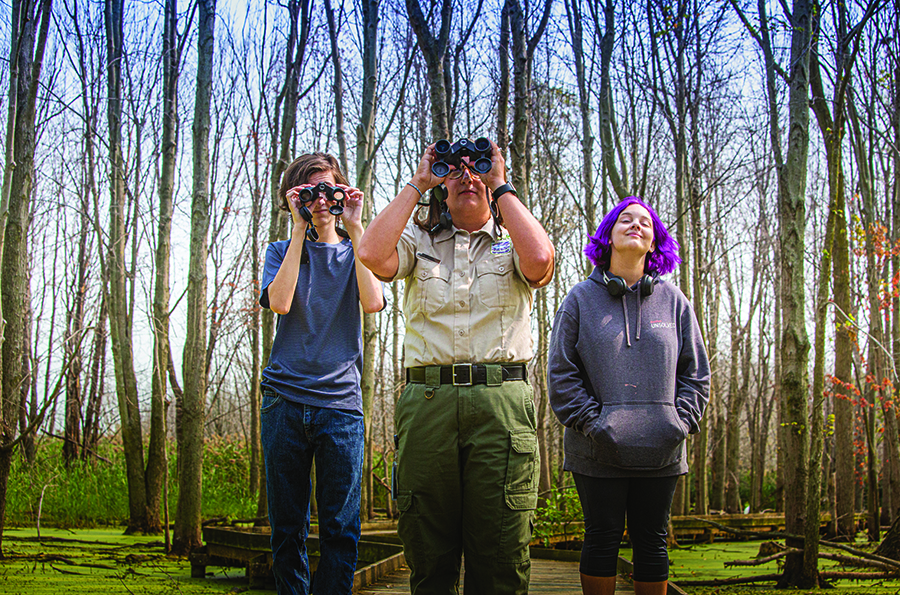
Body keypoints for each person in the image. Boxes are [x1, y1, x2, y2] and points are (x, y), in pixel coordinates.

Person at [357, 139, 554, 594]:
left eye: (476, 169)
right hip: (428, 403)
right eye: (455, 171)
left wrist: (500, 183)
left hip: (500, 405)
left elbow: (541, 261)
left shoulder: (512, 242)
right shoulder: (418, 242)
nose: (467, 177)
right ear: (442, 188)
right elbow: (370, 253)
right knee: (429, 552)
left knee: (501, 555)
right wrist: (419, 181)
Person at [547, 197, 710, 595]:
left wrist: (679, 422)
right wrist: (594, 423)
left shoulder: (674, 302)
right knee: (601, 537)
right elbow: (561, 373)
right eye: (625, 219)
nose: (636, 225)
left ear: (654, 243)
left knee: (652, 540)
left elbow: (696, 373)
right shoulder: (579, 299)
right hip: (596, 448)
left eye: (646, 223)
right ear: (608, 236)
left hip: (662, 448)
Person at [259, 153, 384, 595]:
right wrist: (298, 230)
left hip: (341, 406)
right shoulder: (280, 250)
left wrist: (354, 225)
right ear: (295, 199)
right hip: (284, 401)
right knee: (287, 528)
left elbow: (373, 303)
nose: (319, 201)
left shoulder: (357, 251)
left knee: (341, 527)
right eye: (308, 193)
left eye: (327, 190)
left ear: (340, 193)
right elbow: (280, 302)